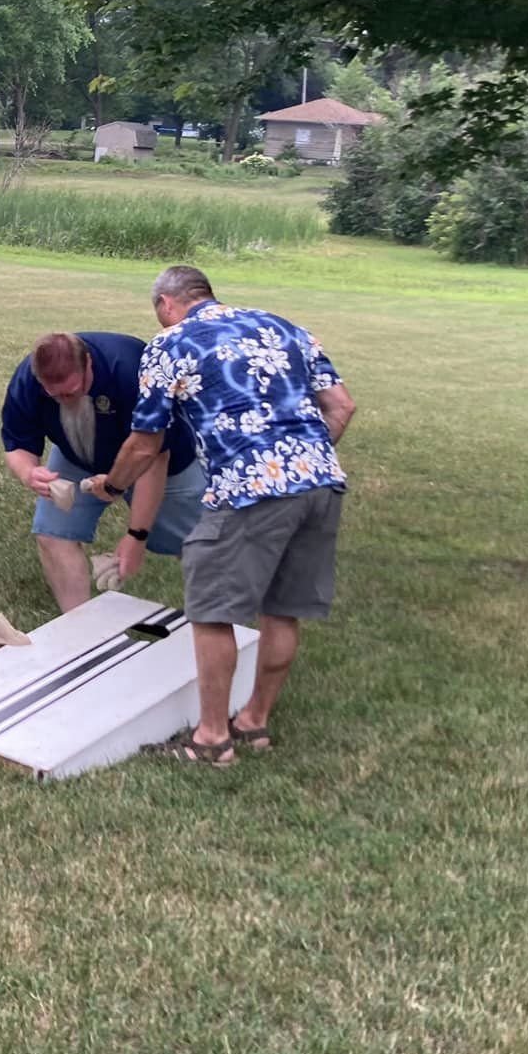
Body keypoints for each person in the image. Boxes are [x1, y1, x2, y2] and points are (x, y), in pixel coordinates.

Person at [95, 265, 356, 764]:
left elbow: (145, 443)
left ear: (166, 304)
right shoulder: (284, 326)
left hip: (247, 488)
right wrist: (298, 463)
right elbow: (341, 407)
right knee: (282, 608)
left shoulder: (170, 343)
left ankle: (212, 738)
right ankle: (255, 721)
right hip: (321, 481)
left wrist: (112, 486)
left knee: (212, 609)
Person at [1, 330, 206, 612]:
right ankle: (79, 629)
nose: (65, 400)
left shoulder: (130, 368)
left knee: (199, 544)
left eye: (72, 392)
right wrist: (28, 472)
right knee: (52, 534)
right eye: (55, 395)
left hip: (160, 459)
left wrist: (136, 536)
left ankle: (217, 626)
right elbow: (16, 442)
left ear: (89, 363)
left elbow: (152, 456)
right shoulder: (29, 378)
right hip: (79, 455)